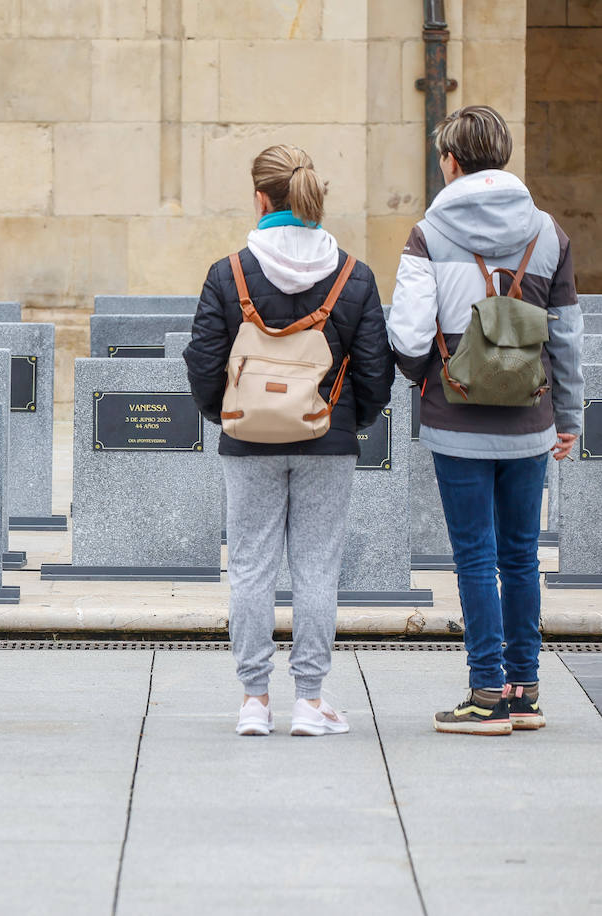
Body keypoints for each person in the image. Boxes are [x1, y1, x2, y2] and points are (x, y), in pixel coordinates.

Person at [185, 145, 393, 738]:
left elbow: (203, 362)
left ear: (260, 198)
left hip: (247, 440)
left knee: (250, 567)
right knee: (317, 568)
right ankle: (309, 700)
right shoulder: (354, 275)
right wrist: (349, 421)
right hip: (326, 438)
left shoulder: (227, 273)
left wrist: (226, 415)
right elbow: (375, 371)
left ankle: (254, 700)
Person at [387, 106, 582, 735]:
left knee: (474, 556)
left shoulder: (427, 234)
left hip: (457, 416)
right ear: (502, 156)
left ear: (450, 160)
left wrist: (424, 378)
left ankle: (485, 694)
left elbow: (408, 334)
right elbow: (566, 337)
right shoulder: (548, 234)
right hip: (532, 418)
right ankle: (524, 692)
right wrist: (568, 415)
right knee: (521, 555)